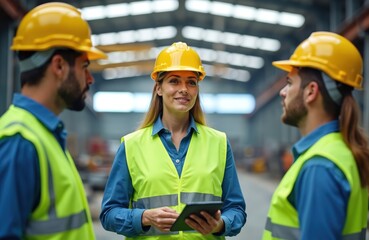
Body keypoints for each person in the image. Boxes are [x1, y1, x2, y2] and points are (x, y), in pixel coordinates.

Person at [100, 42, 247, 239]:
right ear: (159, 88)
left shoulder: (219, 143)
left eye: (191, 82)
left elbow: (236, 209)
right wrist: (143, 217)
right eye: (174, 81)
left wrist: (220, 224)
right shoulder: (131, 145)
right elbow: (109, 214)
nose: (184, 89)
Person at [0, 2, 107, 240]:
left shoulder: (46, 135)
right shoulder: (19, 142)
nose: (89, 79)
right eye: (85, 66)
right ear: (59, 66)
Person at [263, 31, 369, 240]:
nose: (282, 92)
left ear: (310, 92)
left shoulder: (319, 166)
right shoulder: (342, 150)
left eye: (290, 83)